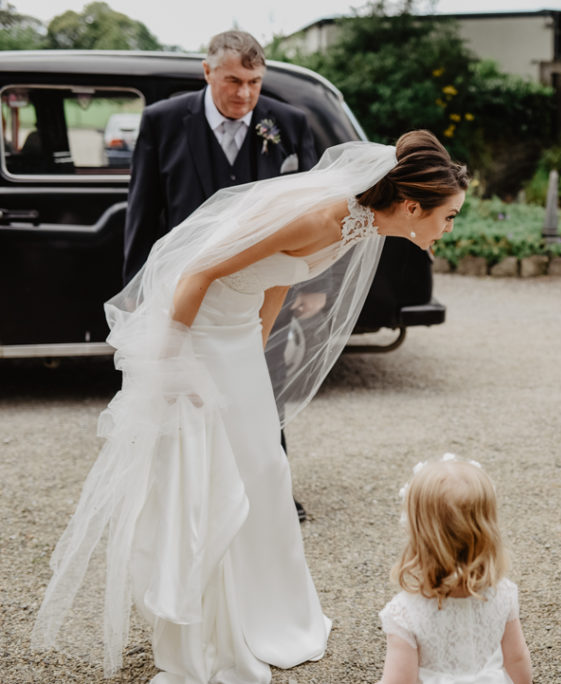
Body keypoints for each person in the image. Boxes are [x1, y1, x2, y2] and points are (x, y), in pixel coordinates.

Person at [32, 130, 469, 684]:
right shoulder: (322, 215)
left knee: (265, 467)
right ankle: (212, 627)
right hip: (195, 334)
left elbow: (281, 276)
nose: (451, 228)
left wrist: (254, 351)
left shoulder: (362, 223)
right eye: (449, 216)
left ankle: (271, 613)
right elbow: (198, 271)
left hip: (235, 338)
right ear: (412, 206)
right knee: (214, 477)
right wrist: (171, 365)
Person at [124, 30, 318, 521]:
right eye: (233, 80)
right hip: (188, 288)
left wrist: (312, 284)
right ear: (207, 71)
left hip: (264, 288)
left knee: (263, 388)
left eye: (255, 82)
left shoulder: (289, 124)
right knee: (186, 388)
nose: (245, 94)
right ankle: (191, 495)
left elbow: (315, 211)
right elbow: (143, 214)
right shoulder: (163, 122)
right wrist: (137, 295)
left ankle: (269, 494)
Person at [378, 456, 532, 684]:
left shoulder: (404, 612)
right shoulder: (503, 594)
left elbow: (400, 681)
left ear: (419, 536)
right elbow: (517, 659)